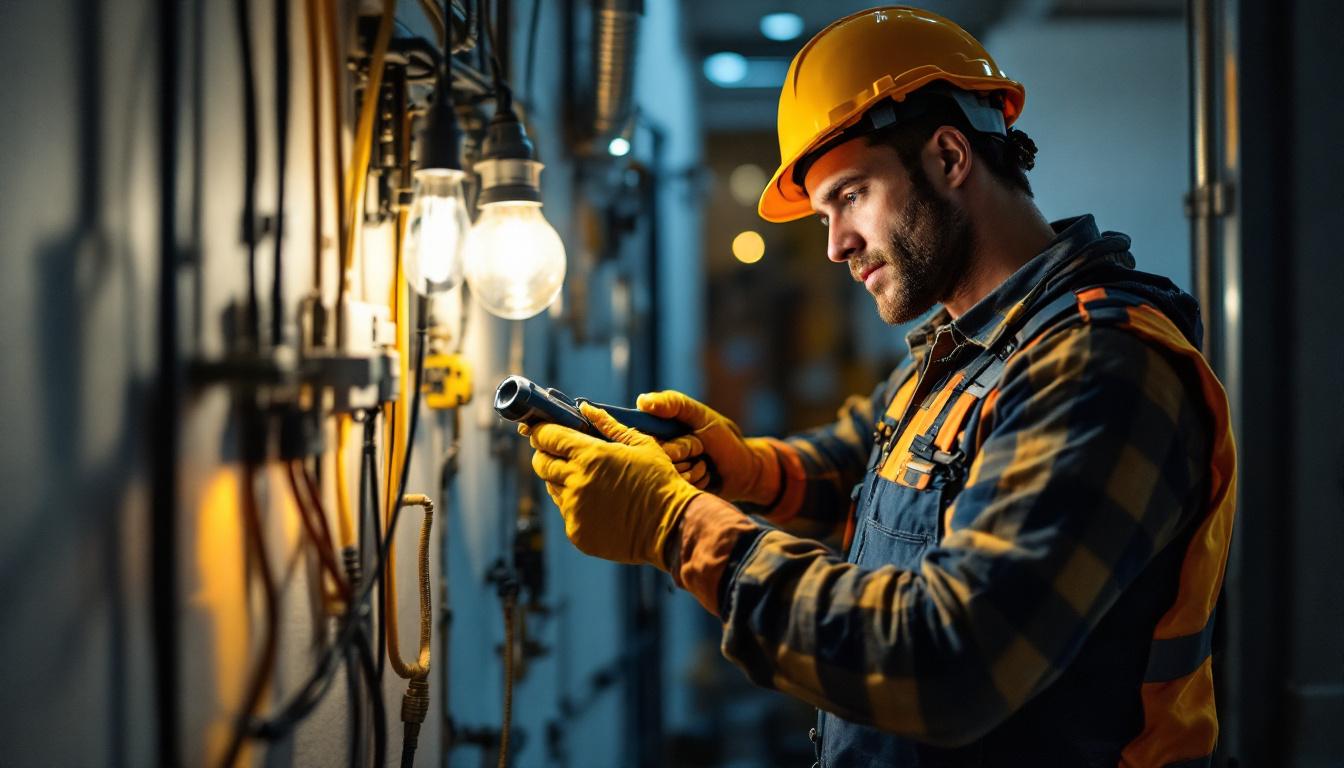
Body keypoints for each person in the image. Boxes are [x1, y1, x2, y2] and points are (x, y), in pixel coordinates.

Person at [523, 6, 1237, 766]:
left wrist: (676, 528)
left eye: (852, 196)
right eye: (827, 213)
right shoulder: (961, 347)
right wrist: (743, 469)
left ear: (949, 156)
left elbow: (950, 662)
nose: (835, 246)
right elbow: (864, 466)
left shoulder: (1099, 366)